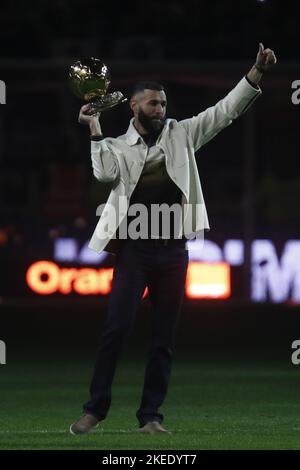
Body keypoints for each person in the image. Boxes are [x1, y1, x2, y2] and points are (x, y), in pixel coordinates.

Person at [70, 43, 277, 435]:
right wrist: (94, 128)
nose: (160, 110)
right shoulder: (116, 145)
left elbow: (226, 111)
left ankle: (150, 417)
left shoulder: (181, 134)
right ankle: (94, 410)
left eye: (163, 104)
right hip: (134, 250)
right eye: (152, 104)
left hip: (173, 251)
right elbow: (102, 175)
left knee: (163, 338)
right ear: (133, 106)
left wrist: (257, 73)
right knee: (116, 329)